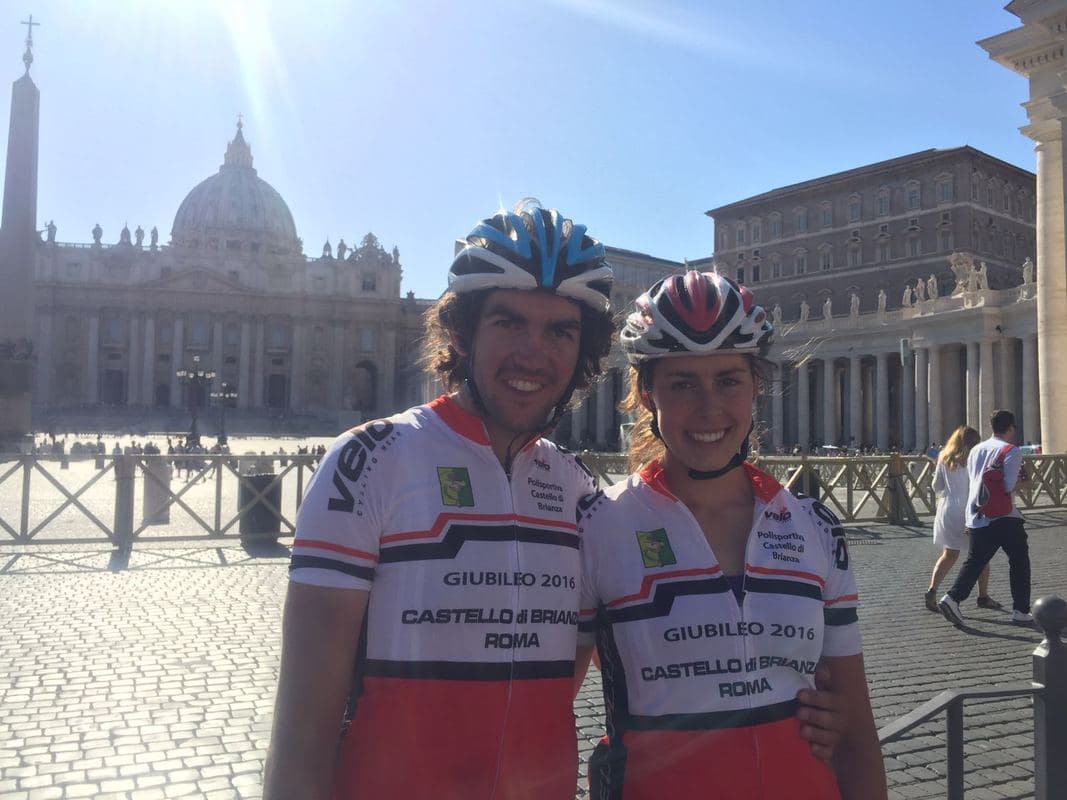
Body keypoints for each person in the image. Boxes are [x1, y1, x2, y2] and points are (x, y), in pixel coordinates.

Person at [263, 209, 846, 799]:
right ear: (463, 332)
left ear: (583, 351)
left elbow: (640, 661)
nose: (532, 353)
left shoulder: (576, 494)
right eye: (509, 323)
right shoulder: (368, 462)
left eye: (560, 332)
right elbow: (302, 729)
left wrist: (797, 702)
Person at [577, 271, 886, 799]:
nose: (709, 407)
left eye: (728, 380)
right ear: (647, 395)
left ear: (756, 386)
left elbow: (856, 731)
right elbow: (540, 702)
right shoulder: (598, 525)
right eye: (682, 384)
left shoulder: (815, 527)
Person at [939, 409, 1033, 627]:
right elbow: (1009, 486)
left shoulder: (977, 450)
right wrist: (1026, 483)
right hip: (1005, 516)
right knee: (1019, 561)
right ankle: (1021, 609)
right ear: (1010, 428)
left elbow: (975, 482)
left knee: (976, 561)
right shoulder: (1011, 451)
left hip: (978, 514)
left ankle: (952, 599)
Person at [924, 426, 1000, 612]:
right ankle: (982, 596)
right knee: (981, 556)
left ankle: (932, 590)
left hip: (947, 510)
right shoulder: (977, 459)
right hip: (969, 510)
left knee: (949, 555)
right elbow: (978, 489)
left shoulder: (944, 458)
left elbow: (936, 487)